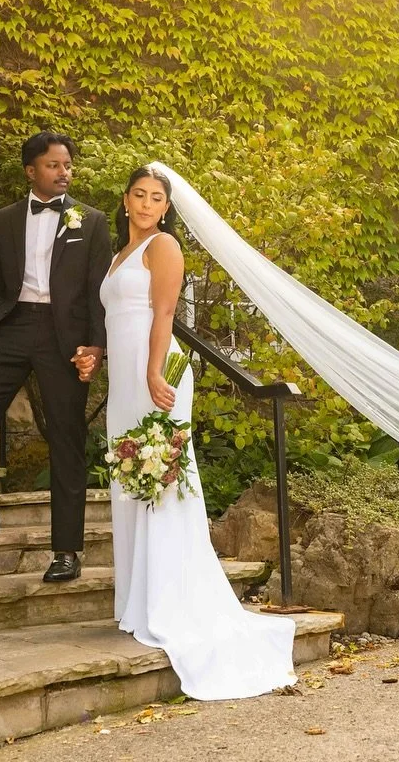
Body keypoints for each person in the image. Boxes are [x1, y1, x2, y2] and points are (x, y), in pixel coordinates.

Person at [77, 164, 297, 699]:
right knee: (132, 480)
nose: (148, 203)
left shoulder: (164, 247)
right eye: (139, 194)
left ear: (166, 207)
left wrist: (154, 371)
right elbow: (115, 318)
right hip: (125, 377)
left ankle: (170, 601)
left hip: (159, 373)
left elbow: (164, 310)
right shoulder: (115, 257)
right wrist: (94, 354)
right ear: (125, 200)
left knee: (162, 480)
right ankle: (137, 601)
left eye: (157, 197)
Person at [0, 132, 110, 586]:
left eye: (67, 165)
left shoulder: (90, 221)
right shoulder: (2, 220)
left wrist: (96, 346)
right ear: (31, 171)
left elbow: (100, 291)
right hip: (11, 327)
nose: (64, 172)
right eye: (54, 165)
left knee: (66, 438)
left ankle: (66, 550)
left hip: (66, 337)